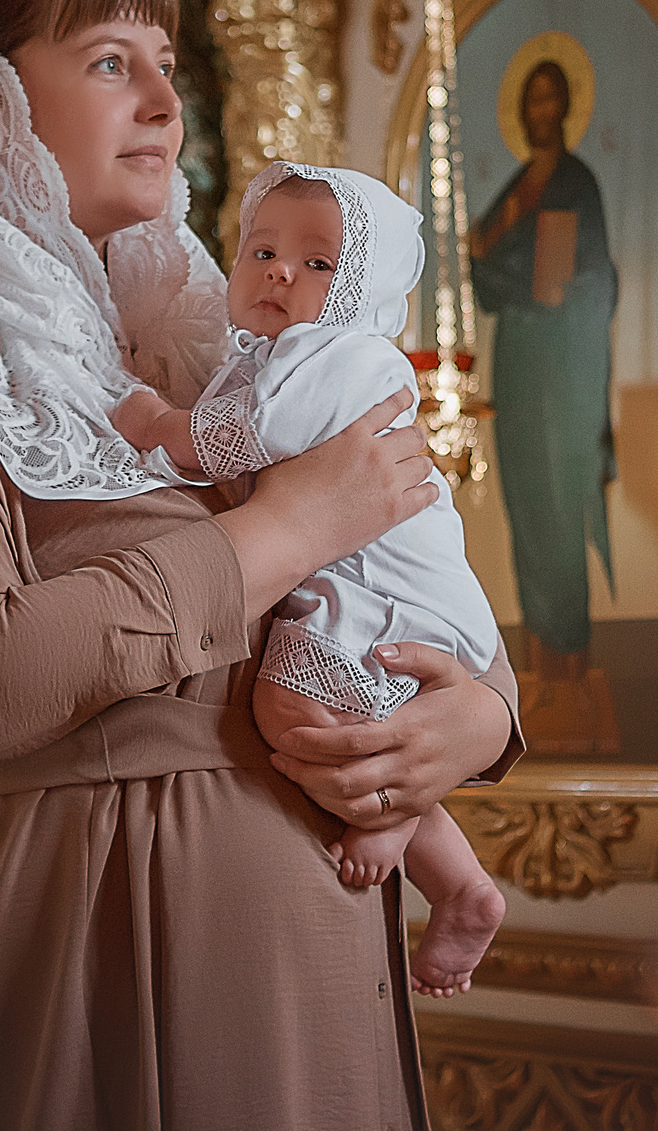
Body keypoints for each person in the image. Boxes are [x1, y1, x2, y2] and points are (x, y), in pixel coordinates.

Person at [0, 0, 524, 1130]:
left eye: (166, 61)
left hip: (318, 970)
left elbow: (417, 556)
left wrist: (479, 716)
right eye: (107, 60)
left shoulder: (228, 339)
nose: (162, 100)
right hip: (80, 951)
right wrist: (283, 529)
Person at [115, 160, 504, 995]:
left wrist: (156, 422)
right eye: (262, 251)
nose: (280, 272)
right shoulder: (276, 354)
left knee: (289, 708)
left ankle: (397, 816)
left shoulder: (346, 357)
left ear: (363, 289)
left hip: (384, 588)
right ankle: (462, 884)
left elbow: (245, 436)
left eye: (318, 261)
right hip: (360, 579)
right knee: (337, 718)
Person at [470, 57, 616, 676]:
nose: (541, 110)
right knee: (525, 499)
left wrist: (557, 292)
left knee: (559, 499)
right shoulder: (516, 188)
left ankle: (571, 660)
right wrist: (517, 279)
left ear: (566, 107)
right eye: (532, 99)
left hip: (564, 365)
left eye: (551, 97)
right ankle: (536, 658)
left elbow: (600, 278)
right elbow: (484, 277)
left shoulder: (576, 184)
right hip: (518, 361)